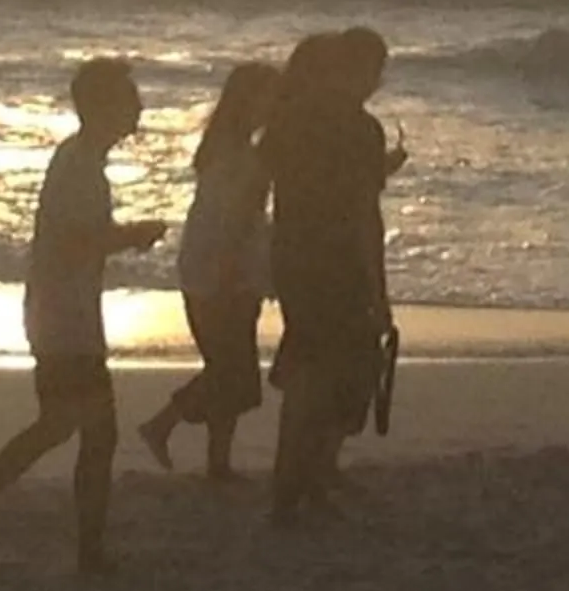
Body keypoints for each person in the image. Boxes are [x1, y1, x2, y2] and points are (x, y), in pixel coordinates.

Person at [0, 56, 168, 573]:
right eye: (128, 99)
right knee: (74, 430)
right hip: (62, 317)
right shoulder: (78, 166)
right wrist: (130, 235)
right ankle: (4, 523)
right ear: (102, 107)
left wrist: (119, 239)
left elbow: (78, 242)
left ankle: (74, 544)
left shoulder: (83, 162)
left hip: (65, 313)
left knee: (73, 429)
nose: (139, 109)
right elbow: (75, 242)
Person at [260, 28, 397, 526]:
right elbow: (364, 214)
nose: (377, 83)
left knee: (306, 370)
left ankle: (288, 488)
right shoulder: (361, 130)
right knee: (340, 374)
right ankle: (310, 482)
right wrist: (379, 291)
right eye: (375, 72)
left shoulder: (287, 120)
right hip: (337, 263)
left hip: (292, 256)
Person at [137, 60, 281, 482]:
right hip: (221, 271)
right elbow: (234, 220)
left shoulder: (226, 148)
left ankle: (217, 460)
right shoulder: (239, 156)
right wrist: (235, 270)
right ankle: (164, 423)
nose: (274, 105)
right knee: (232, 372)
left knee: (228, 367)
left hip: (214, 266)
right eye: (268, 96)